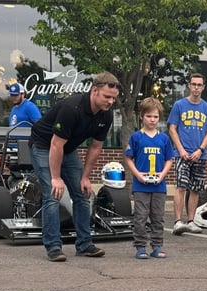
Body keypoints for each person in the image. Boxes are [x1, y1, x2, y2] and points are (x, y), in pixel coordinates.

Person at [29, 71, 120, 262]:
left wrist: (86, 177)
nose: (110, 102)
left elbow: (95, 147)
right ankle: (54, 247)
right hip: (44, 146)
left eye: (113, 98)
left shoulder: (106, 114)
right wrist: (56, 177)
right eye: (107, 97)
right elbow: (56, 144)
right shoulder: (72, 107)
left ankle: (85, 245)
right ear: (95, 91)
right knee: (53, 194)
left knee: (82, 194)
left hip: (68, 149)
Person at [168, 72, 207, 235]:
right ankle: (177, 221)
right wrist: (181, 150)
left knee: (195, 189)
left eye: (199, 85)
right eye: (194, 84)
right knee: (181, 187)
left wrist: (200, 150)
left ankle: (191, 221)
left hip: (199, 155)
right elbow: (172, 129)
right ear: (189, 85)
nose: (196, 87)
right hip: (182, 154)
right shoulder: (179, 105)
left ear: (203, 87)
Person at [124, 97, 174, 259]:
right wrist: (137, 175)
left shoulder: (164, 138)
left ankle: (157, 246)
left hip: (158, 185)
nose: (152, 120)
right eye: (149, 116)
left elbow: (169, 159)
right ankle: (140, 246)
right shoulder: (136, 137)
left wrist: (162, 175)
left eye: (156, 117)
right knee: (140, 216)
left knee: (158, 217)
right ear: (141, 116)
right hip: (141, 185)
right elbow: (129, 158)